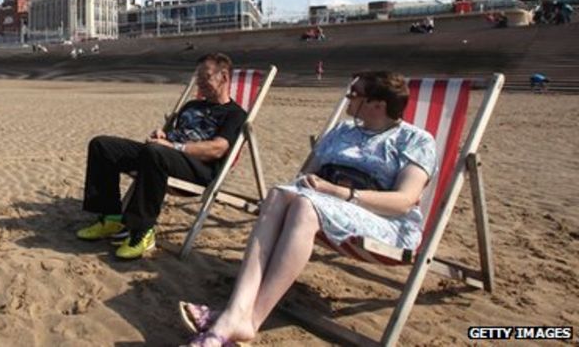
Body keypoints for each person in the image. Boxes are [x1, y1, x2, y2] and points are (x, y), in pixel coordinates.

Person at [179, 71, 436, 346]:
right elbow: (304, 176)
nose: (347, 98)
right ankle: (235, 313)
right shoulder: (342, 130)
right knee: (278, 194)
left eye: (354, 94)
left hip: (382, 221)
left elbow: (404, 201)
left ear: (377, 105)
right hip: (325, 205)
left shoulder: (416, 140)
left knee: (304, 205)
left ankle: (249, 320)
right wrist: (312, 183)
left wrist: (338, 192)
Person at [76, 53, 247, 260]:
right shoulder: (191, 106)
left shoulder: (235, 114)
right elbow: (175, 135)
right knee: (102, 145)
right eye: (198, 77)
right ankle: (111, 217)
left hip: (199, 170)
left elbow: (217, 149)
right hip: (163, 156)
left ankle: (142, 231)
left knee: (155, 152)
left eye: (206, 77)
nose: (200, 82)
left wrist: (172, 145)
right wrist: (163, 135)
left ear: (225, 77)